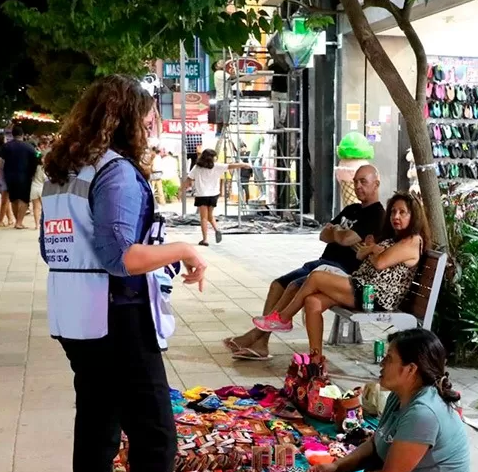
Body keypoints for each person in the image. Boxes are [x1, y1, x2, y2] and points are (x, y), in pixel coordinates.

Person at [40, 74, 215, 472]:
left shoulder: (65, 170)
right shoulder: (114, 172)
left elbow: (59, 245)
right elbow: (123, 258)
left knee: (96, 429)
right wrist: (185, 247)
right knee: (157, 438)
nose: (150, 125)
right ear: (128, 120)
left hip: (75, 316)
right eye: (146, 116)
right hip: (116, 319)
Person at [195, 328, 470, 472]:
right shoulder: (401, 396)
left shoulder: (424, 413)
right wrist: (337, 468)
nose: (382, 365)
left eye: (389, 359)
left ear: (410, 369)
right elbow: (376, 443)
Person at [224, 164, 386, 360]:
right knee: (277, 285)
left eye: (363, 182)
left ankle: (256, 337)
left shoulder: (377, 215)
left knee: (294, 286)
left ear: (376, 184)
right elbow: (323, 234)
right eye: (356, 182)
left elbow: (344, 238)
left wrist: (335, 231)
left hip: (341, 270)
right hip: (322, 263)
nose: (358, 186)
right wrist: (337, 233)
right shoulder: (352, 209)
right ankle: (261, 343)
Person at [254, 192, 429, 355]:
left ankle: (284, 318)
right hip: (361, 285)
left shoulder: (413, 240)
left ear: (413, 216)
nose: (396, 217)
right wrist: (373, 250)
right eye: (393, 212)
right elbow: (361, 254)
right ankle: (316, 361)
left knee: (316, 277)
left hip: (375, 295)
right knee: (312, 301)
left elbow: (380, 262)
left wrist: (373, 251)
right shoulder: (394, 238)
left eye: (402, 213)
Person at [180, 148, 251, 247]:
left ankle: (205, 240)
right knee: (210, 215)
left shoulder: (197, 167)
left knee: (203, 218)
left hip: (202, 195)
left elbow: (188, 180)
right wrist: (243, 164)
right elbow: (231, 165)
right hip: (214, 195)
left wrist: (180, 190)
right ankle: (217, 229)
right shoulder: (217, 166)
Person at [1, 124, 38, 229]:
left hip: (9, 175)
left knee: (14, 199)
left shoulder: (6, 146)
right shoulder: (29, 147)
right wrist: (33, 173)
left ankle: (17, 220)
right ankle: (19, 222)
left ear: (12, 134)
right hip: (25, 176)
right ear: (22, 134)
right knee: (24, 199)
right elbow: (36, 159)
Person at [0, 133, 14, 227]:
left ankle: (10, 219)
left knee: (6, 200)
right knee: (5, 201)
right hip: (4, 177)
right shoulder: (2, 152)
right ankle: (0, 220)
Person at [29, 136, 49, 227]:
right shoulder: (43, 168)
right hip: (42, 188)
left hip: (34, 187)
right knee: (44, 208)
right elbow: (45, 178)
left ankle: (37, 224)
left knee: (35, 208)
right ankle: (44, 223)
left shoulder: (33, 168)